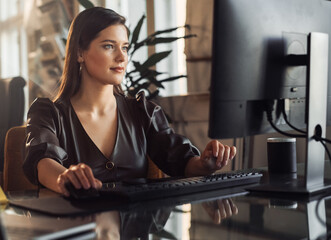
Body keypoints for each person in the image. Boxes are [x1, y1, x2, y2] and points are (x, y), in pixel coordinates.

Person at [23, 7, 237, 197]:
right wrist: (64, 178)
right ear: (80, 53)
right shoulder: (48, 112)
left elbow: (180, 161)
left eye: (124, 47)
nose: (122, 57)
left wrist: (205, 164)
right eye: (109, 46)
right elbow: (43, 161)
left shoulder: (142, 111)